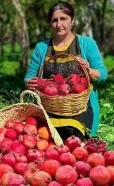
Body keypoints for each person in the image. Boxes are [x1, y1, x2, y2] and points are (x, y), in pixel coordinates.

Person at [25, 2, 108, 141]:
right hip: (50, 106)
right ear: (50, 23)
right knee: (44, 137)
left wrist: (89, 70)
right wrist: (31, 83)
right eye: (54, 20)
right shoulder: (42, 47)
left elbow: (103, 74)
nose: (59, 24)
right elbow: (29, 78)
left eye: (63, 19)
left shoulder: (86, 44)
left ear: (72, 21)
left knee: (72, 138)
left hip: (80, 107)